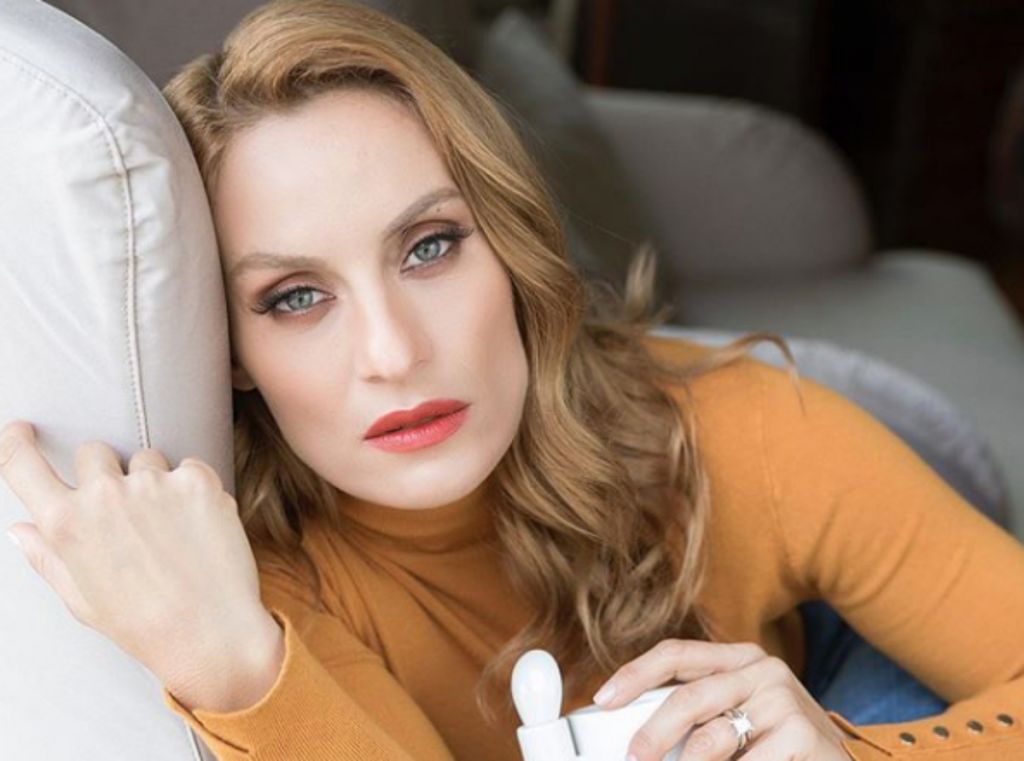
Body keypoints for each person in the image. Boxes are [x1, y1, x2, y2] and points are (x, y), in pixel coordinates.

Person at [1, 1, 1022, 759]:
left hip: (818, 678)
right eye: (296, 297)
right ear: (229, 348)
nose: (393, 352)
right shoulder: (258, 580)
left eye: (430, 246)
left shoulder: (736, 426)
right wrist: (238, 673)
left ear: (513, 243)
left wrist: (854, 753)